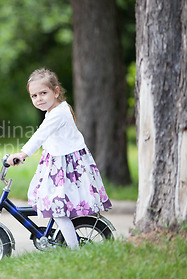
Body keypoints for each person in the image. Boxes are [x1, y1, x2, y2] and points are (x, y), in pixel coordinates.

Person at [7, 68, 112, 248]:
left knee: (58, 211)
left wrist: (22, 154)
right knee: (52, 204)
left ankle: (74, 250)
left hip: (66, 168)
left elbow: (40, 135)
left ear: (56, 92)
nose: (39, 98)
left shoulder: (58, 114)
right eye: (34, 96)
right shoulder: (55, 110)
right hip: (58, 164)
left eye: (43, 93)